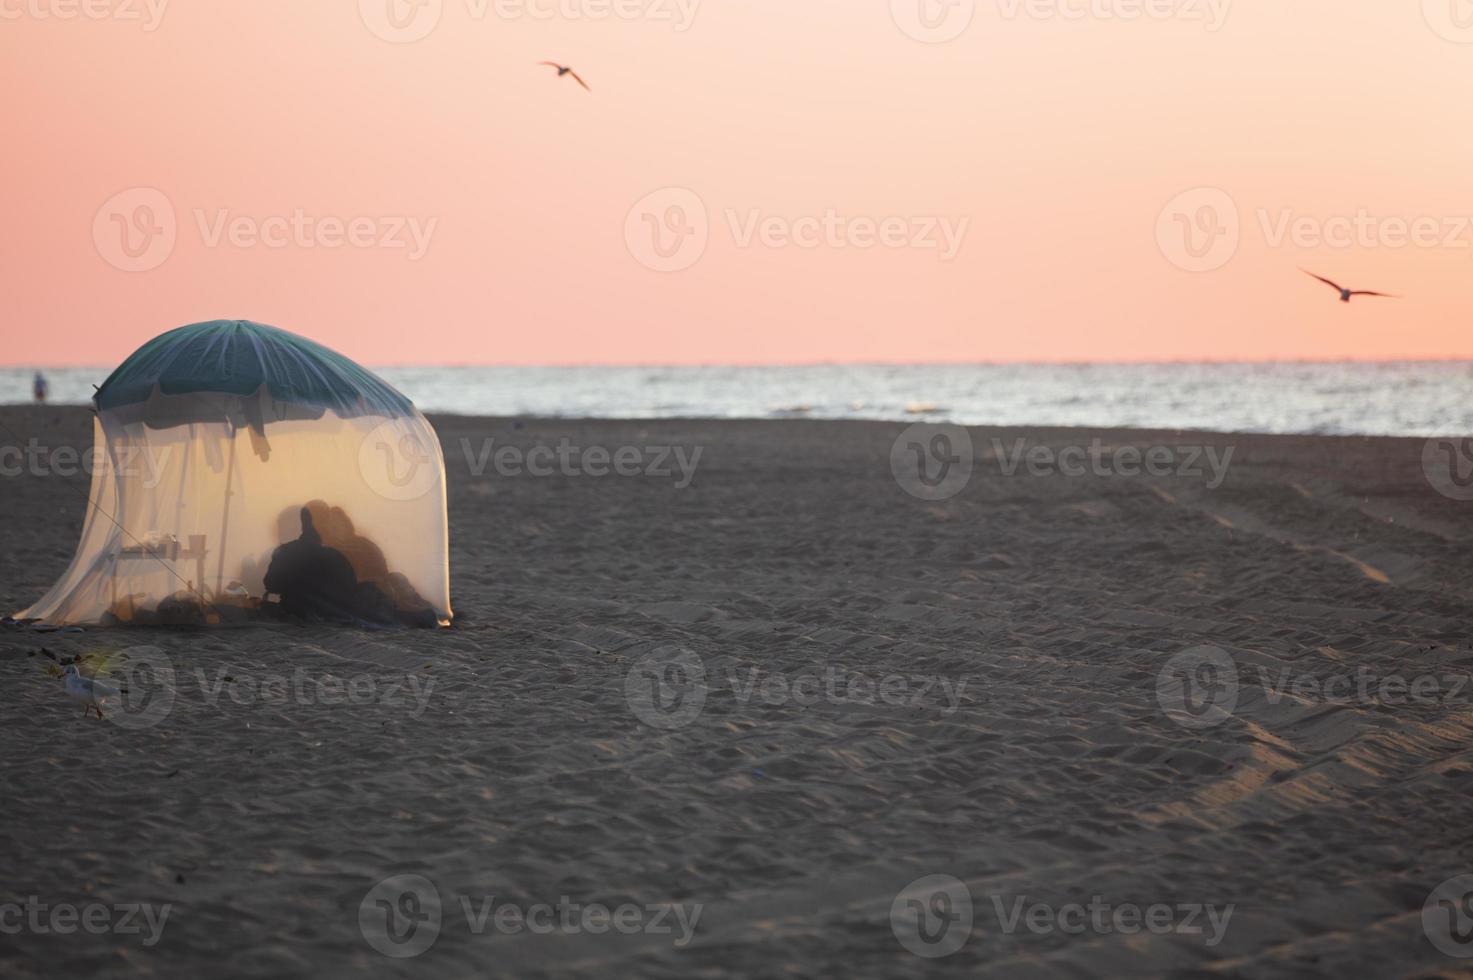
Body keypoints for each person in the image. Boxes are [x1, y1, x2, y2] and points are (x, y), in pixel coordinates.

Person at [262, 507, 362, 621]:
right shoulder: (336, 555)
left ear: (297, 526)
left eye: (282, 525)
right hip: (334, 622)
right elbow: (351, 589)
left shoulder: (287, 552)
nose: (278, 531)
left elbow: (271, 584)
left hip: (295, 622)